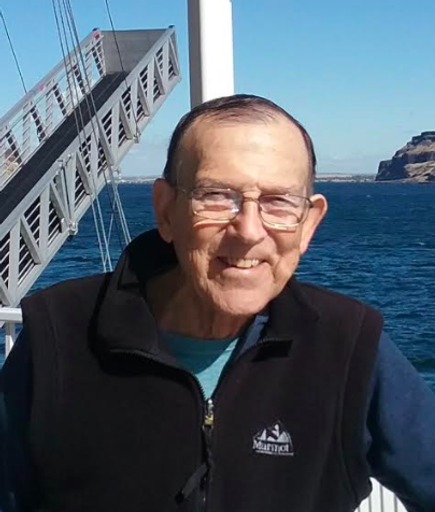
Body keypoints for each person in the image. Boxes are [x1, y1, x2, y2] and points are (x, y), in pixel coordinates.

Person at [1, 94, 435, 512]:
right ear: (166, 210)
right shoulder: (59, 336)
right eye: (216, 196)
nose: (249, 230)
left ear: (308, 224)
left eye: (278, 202)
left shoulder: (351, 347)